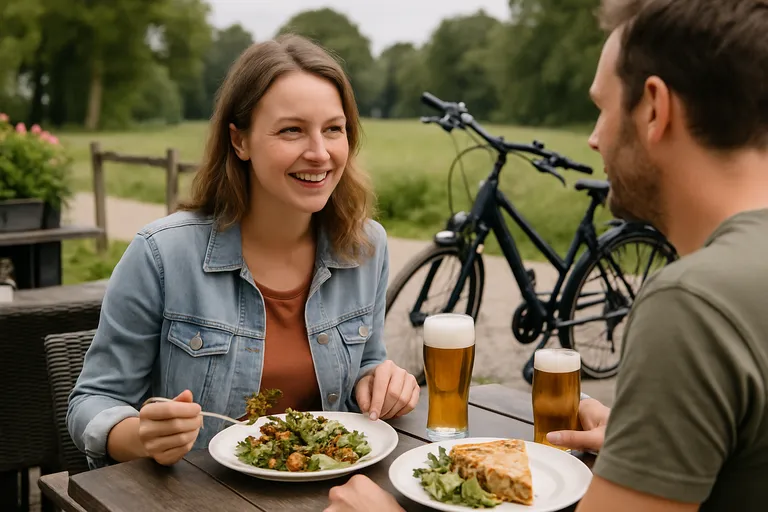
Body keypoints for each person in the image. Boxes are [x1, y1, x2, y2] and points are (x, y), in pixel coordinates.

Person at [325, 0, 768, 510]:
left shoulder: (692, 303)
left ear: (654, 109)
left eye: (602, 107)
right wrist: (643, 445)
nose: (594, 139)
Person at [67, 34, 420, 470]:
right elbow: (92, 402)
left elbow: (367, 363)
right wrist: (141, 437)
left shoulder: (365, 247)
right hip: (194, 496)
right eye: (291, 130)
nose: (319, 152)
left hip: (326, 489)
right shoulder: (161, 254)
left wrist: (381, 380)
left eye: (334, 128)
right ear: (240, 141)